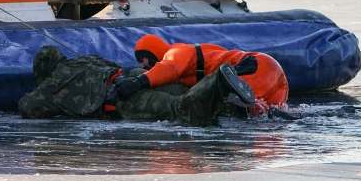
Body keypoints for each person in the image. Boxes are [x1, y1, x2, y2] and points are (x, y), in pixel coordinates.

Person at [18, 46, 256, 126]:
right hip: (134, 77)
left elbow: (28, 106)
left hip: (122, 99)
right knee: (185, 93)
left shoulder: (51, 84)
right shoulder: (85, 59)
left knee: (179, 109)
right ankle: (235, 104)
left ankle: (219, 81)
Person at [113, 34, 289, 115]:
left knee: (246, 104)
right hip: (275, 80)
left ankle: (252, 105)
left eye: (144, 60)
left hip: (253, 66)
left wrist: (137, 82)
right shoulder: (200, 55)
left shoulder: (177, 52)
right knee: (267, 112)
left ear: (153, 53)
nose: (144, 65)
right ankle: (264, 109)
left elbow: (168, 68)